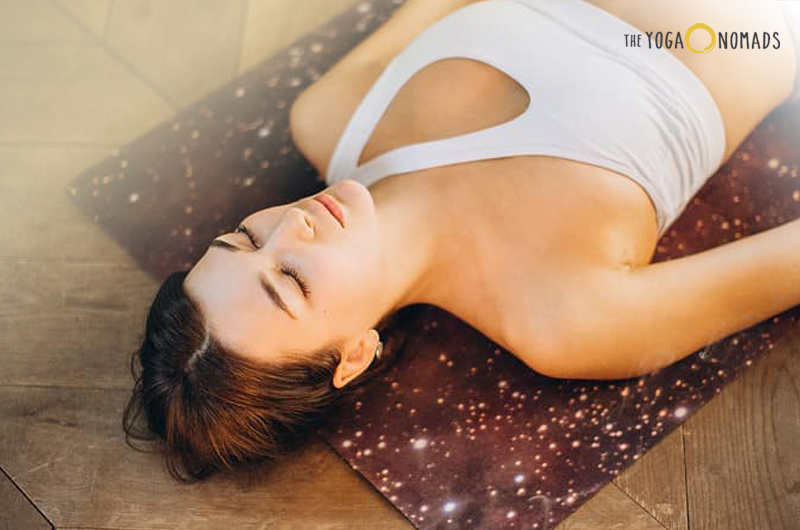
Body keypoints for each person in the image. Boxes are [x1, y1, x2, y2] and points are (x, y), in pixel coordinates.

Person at [123, 0, 800, 482]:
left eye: (244, 237)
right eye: (292, 281)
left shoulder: (328, 117)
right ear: (354, 355)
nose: (290, 227)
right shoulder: (563, 319)